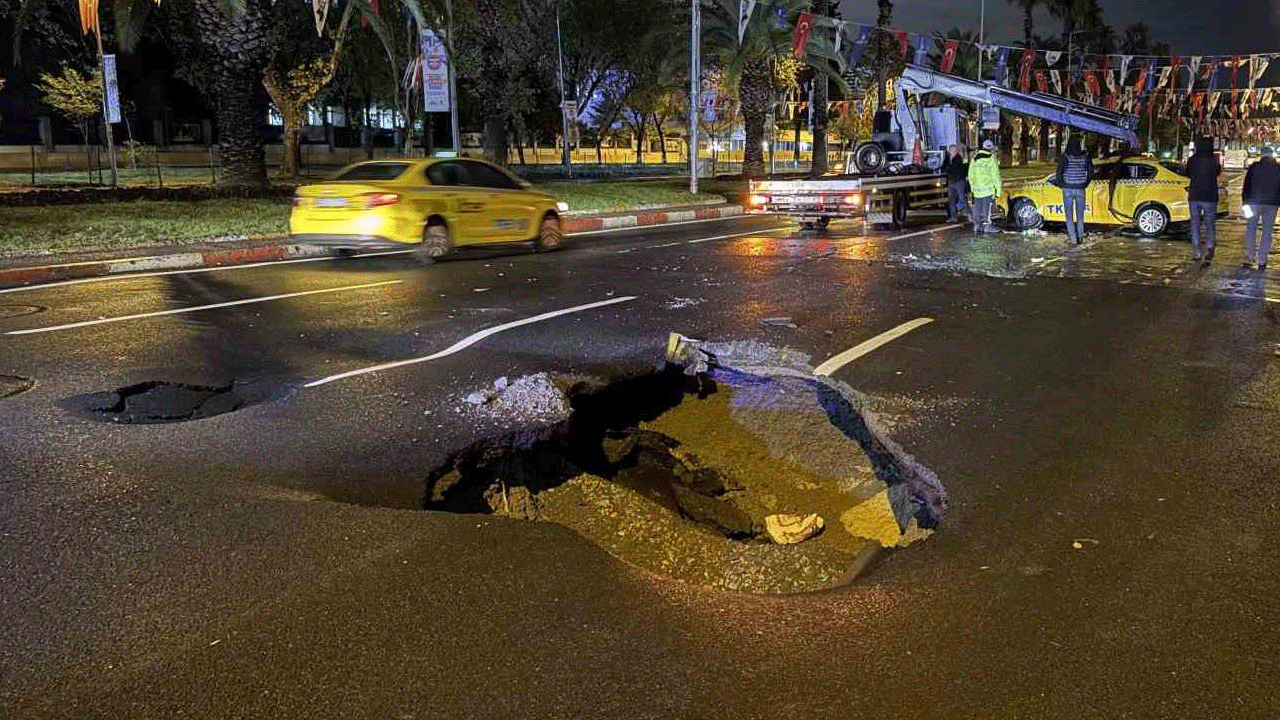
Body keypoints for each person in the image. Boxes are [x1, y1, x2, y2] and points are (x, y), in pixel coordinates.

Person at [1242, 145, 1280, 270]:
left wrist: (1245, 202)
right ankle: (1262, 260)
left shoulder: (1254, 167)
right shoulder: (1278, 168)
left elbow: (1246, 186)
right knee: (1267, 232)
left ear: (1261, 155)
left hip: (1253, 203)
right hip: (1272, 204)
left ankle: (1249, 256)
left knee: (1251, 229)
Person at [1185, 136, 1221, 264]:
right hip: (1210, 197)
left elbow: (1187, 173)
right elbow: (1218, 172)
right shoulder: (1214, 161)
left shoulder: (1192, 160)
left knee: (1195, 224)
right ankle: (1210, 247)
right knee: (1209, 224)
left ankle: (1197, 252)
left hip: (1194, 196)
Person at [1054, 135, 1093, 246]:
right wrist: (1085, 183)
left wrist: (1063, 185)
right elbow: (1091, 172)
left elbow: (1059, 174)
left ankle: (1073, 239)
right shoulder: (1085, 156)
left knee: (1069, 216)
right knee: (1080, 215)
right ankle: (1080, 237)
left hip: (1067, 189)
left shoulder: (1065, 156)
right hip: (1081, 188)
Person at [967, 139, 1002, 234]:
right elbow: (996, 176)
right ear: (991, 149)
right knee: (987, 208)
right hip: (988, 189)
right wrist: (998, 191)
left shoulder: (975, 159)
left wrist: (973, 188)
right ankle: (987, 226)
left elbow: (970, 175)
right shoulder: (991, 159)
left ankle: (976, 225)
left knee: (977, 207)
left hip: (977, 189)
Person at [941, 144, 970, 222]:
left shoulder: (958, 159)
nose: (952, 151)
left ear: (956, 151)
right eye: (950, 150)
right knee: (951, 200)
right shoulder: (947, 158)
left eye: (953, 150)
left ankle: (968, 215)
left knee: (962, 198)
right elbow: (943, 167)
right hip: (951, 181)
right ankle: (953, 217)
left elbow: (955, 169)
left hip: (958, 181)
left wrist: (948, 168)